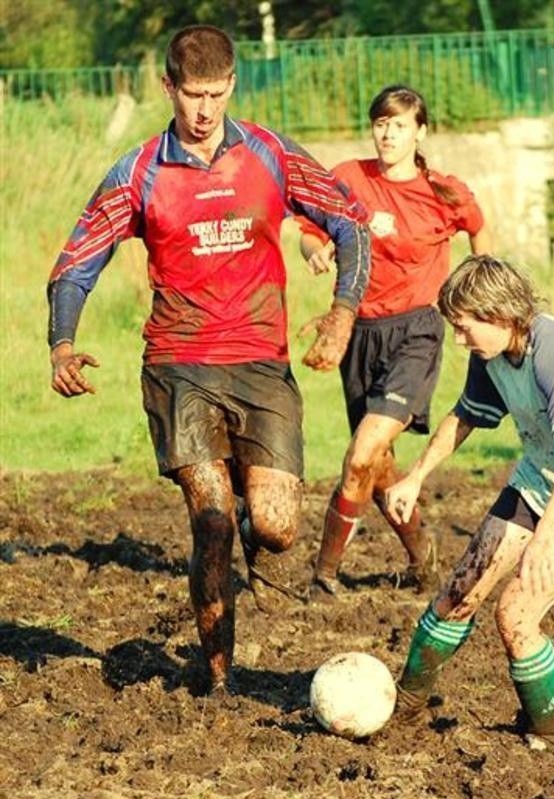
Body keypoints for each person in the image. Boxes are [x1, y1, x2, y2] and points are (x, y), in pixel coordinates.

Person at [47, 25, 370, 694]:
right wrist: (62, 343)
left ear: (231, 86)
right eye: (192, 95)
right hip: (179, 367)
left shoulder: (270, 154)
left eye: (216, 95)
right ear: (169, 87)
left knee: (277, 528)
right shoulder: (139, 171)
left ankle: (261, 533)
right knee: (213, 518)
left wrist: (342, 312)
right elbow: (76, 263)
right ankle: (217, 676)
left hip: (260, 364)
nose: (204, 111)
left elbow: (350, 220)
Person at [385, 255, 554, 749]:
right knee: (457, 595)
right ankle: (405, 711)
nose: (460, 339)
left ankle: (549, 735)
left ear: (500, 315)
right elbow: (465, 416)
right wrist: (415, 477)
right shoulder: (490, 356)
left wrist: (545, 535)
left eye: (464, 328)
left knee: (514, 615)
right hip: (542, 475)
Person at [296, 85, 492, 600]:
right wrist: (313, 248)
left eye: (400, 124)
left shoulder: (444, 192)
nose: (388, 133)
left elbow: (480, 231)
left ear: (419, 131)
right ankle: (422, 554)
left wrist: (478, 296)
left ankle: (324, 575)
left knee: (363, 450)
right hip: (358, 331)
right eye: (381, 123)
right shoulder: (348, 178)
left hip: (417, 331)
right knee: (377, 463)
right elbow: (309, 227)